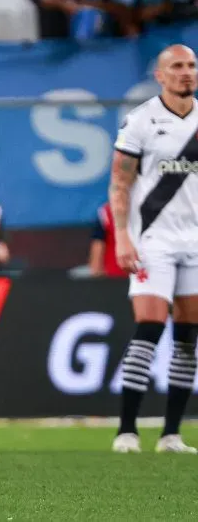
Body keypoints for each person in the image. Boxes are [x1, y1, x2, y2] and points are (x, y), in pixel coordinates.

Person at [108, 44, 198, 454]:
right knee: (149, 328)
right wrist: (122, 236)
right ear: (160, 75)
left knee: (187, 339)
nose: (186, 72)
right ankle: (127, 430)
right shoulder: (141, 120)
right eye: (177, 66)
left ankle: (171, 435)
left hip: (194, 242)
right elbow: (120, 183)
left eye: (191, 65)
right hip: (153, 241)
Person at [88, 201, 126, 278]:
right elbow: (98, 242)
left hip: (142, 274)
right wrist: (95, 269)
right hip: (114, 274)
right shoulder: (105, 212)